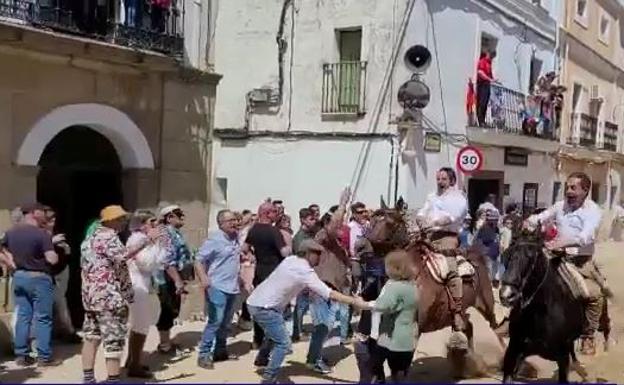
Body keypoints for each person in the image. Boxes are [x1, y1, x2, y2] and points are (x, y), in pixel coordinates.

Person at [246, 239, 366, 383]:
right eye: (317, 254)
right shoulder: (304, 270)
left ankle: (262, 359)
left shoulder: (291, 260)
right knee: (284, 344)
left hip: (257, 302)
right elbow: (330, 293)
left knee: (274, 334)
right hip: (265, 308)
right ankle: (268, 379)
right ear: (308, 253)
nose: (320, 257)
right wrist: (355, 301)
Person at [525, 172, 606, 356]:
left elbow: (587, 236)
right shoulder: (560, 206)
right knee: (525, 280)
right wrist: (529, 222)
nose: (568, 191)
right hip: (554, 258)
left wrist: (565, 242)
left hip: (580, 263)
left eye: (573, 188)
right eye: (567, 187)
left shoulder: (593, 211)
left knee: (594, 295)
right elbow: (542, 216)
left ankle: (588, 335)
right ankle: (513, 321)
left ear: (585, 190)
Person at [80, 205, 162, 383]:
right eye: (120, 219)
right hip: (109, 297)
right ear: (111, 220)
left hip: (90, 296)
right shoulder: (109, 238)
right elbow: (122, 258)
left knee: (91, 336)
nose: (124, 222)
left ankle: (88, 378)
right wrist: (147, 241)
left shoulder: (89, 239)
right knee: (114, 340)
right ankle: (113, 379)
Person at [1, 203, 59, 367]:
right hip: (39, 278)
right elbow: (51, 259)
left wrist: (10, 262)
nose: (44, 215)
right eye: (41, 212)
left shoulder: (11, 232)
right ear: (34, 213)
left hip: (19, 276)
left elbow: (1, 248)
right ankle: (44, 356)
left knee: (23, 316)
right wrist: (55, 250)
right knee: (43, 318)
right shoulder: (42, 234)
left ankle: (21, 355)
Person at [416, 167, 468, 332]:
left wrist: (433, 223)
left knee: (451, 270)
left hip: (447, 238)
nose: (440, 182)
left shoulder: (459, 198)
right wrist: (421, 220)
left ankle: (457, 311)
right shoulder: (431, 196)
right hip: (428, 237)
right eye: (438, 179)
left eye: (443, 179)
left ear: (452, 181)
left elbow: (451, 217)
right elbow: (421, 212)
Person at [306, 188, 352, 373]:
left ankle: (314, 356)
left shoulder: (336, 244)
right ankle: (314, 360)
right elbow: (333, 226)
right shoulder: (323, 237)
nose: (341, 227)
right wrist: (342, 205)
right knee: (322, 327)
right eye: (338, 224)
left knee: (325, 327)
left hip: (331, 289)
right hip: (321, 288)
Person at [361, 250, 419, 384]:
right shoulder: (412, 286)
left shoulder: (395, 286)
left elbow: (383, 306)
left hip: (392, 340)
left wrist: (362, 303)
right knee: (400, 374)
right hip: (407, 340)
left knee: (374, 367)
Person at [196, 210, 241, 369]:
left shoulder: (236, 238)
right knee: (215, 321)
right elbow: (199, 260)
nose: (234, 223)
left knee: (226, 322)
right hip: (217, 286)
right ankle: (204, 354)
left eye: (235, 220)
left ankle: (220, 351)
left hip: (232, 287)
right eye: (230, 221)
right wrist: (204, 279)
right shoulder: (214, 239)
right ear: (221, 224)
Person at [243, 201, 291, 353]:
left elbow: (244, 248)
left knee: (259, 305)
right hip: (274, 273)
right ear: (267, 213)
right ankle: (272, 341)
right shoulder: (273, 231)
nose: (277, 214)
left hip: (259, 271)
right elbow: (284, 253)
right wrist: (289, 243)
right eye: (275, 212)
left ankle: (257, 339)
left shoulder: (254, 229)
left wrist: (253, 256)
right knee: (274, 308)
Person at [125, 210, 168, 378]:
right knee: (140, 326)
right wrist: (158, 245)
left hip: (142, 284)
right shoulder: (138, 240)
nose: (156, 225)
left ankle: (132, 359)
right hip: (138, 286)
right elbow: (148, 264)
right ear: (142, 224)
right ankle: (134, 364)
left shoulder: (142, 240)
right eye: (152, 222)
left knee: (138, 325)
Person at [155, 205, 192, 355]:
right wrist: (177, 280)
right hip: (166, 278)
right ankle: (164, 345)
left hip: (174, 276)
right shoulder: (166, 234)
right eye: (179, 214)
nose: (182, 216)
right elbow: (167, 261)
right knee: (166, 309)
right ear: (169, 217)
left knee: (172, 310)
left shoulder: (175, 233)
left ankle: (167, 341)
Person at [44, 207, 81, 344]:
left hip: (61, 269)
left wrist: (66, 249)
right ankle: (65, 330)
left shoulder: (57, 232)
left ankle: (66, 330)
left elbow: (66, 251)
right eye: (49, 218)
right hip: (48, 271)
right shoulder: (40, 233)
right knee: (55, 302)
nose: (52, 221)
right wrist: (51, 241)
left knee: (60, 300)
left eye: (54, 218)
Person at [291, 208, 319, 341]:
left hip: (310, 272)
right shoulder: (300, 238)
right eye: (311, 219)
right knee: (301, 304)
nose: (314, 221)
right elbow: (300, 257)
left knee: (305, 303)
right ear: (303, 220)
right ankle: (297, 332)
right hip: (302, 274)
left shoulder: (311, 235)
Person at [476, 50, 497, 126]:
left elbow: (490, 74)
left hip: (487, 84)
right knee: (481, 102)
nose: (491, 58)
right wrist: (489, 79)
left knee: (485, 103)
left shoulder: (489, 63)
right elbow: (480, 72)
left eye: (492, 57)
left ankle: (483, 121)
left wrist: (494, 80)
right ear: (488, 54)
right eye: (491, 56)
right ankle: (480, 120)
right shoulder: (482, 61)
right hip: (482, 84)